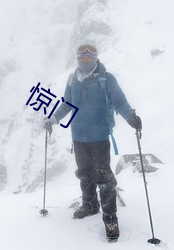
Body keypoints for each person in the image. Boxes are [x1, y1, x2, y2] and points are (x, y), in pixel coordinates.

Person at [41, 39, 142, 242]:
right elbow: (67, 105)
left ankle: (110, 219)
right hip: (78, 137)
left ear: (96, 57)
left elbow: (120, 101)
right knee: (84, 173)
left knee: (103, 178)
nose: (86, 57)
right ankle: (90, 204)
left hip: (99, 137)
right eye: (82, 54)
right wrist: (52, 118)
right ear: (77, 57)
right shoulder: (72, 80)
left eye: (90, 54)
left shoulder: (106, 79)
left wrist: (131, 119)